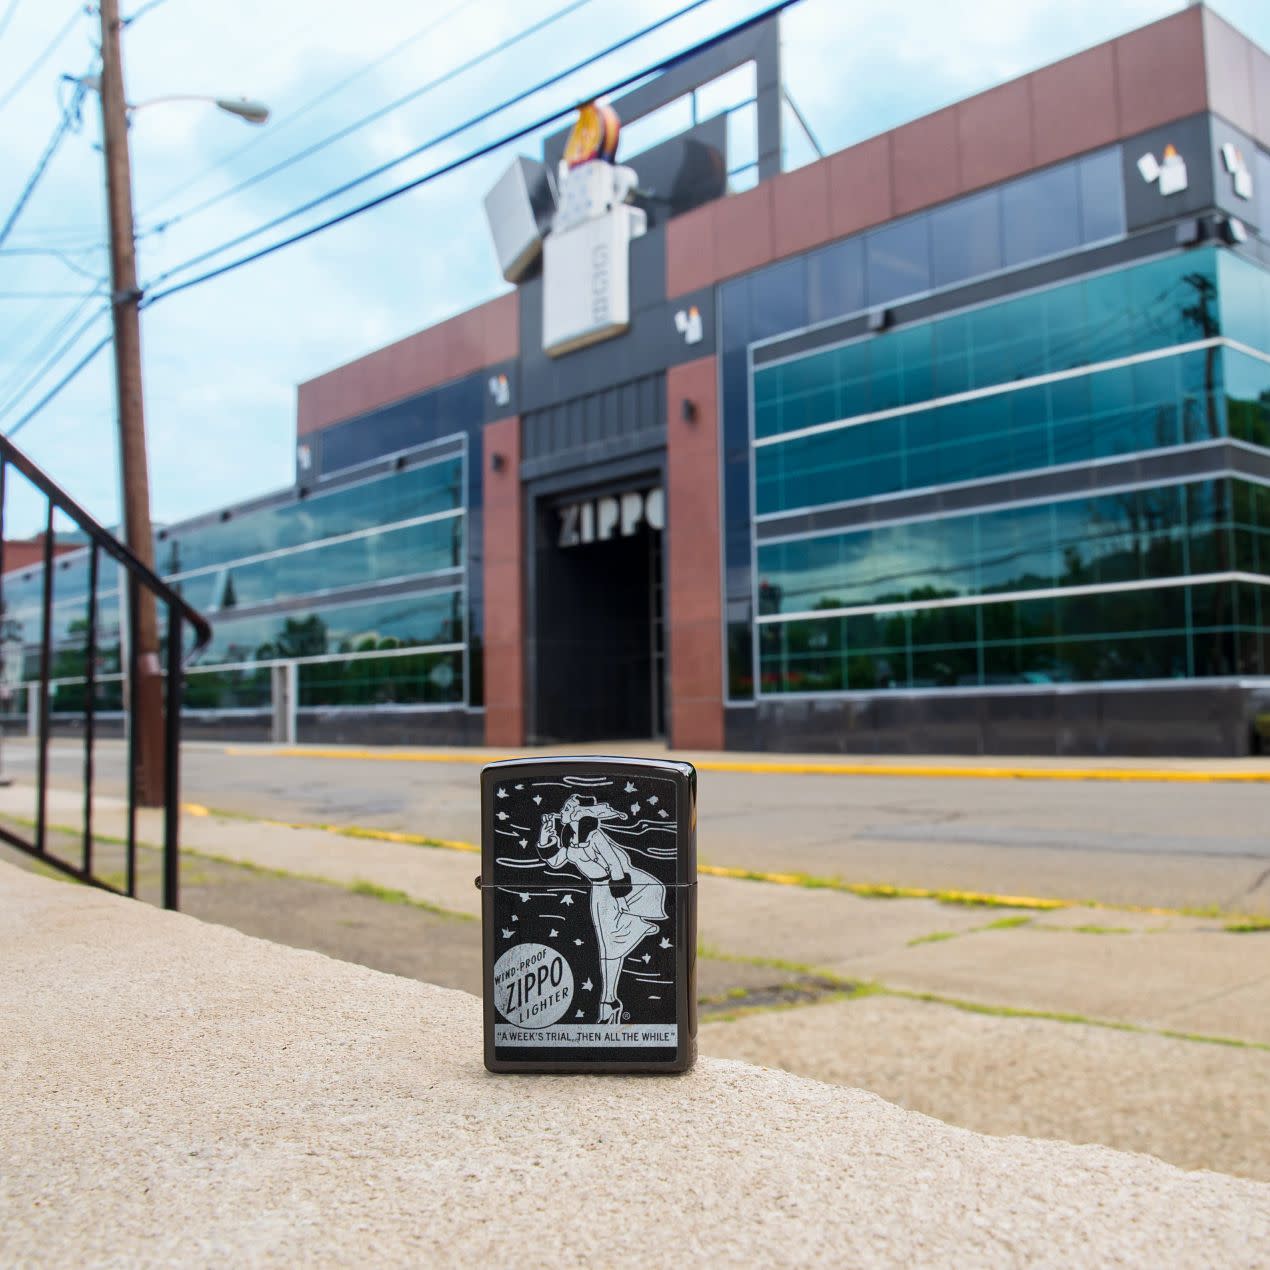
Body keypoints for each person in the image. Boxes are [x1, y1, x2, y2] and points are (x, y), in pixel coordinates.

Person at [537, 793, 667, 1024]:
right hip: (599, 892)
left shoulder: (594, 836)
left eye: (567, 807)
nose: (563, 811)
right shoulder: (569, 837)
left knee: (608, 949)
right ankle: (610, 1000)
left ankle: (608, 1002)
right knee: (607, 948)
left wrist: (620, 898)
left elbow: (615, 865)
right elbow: (556, 862)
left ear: (578, 813)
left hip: (621, 887)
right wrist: (546, 838)